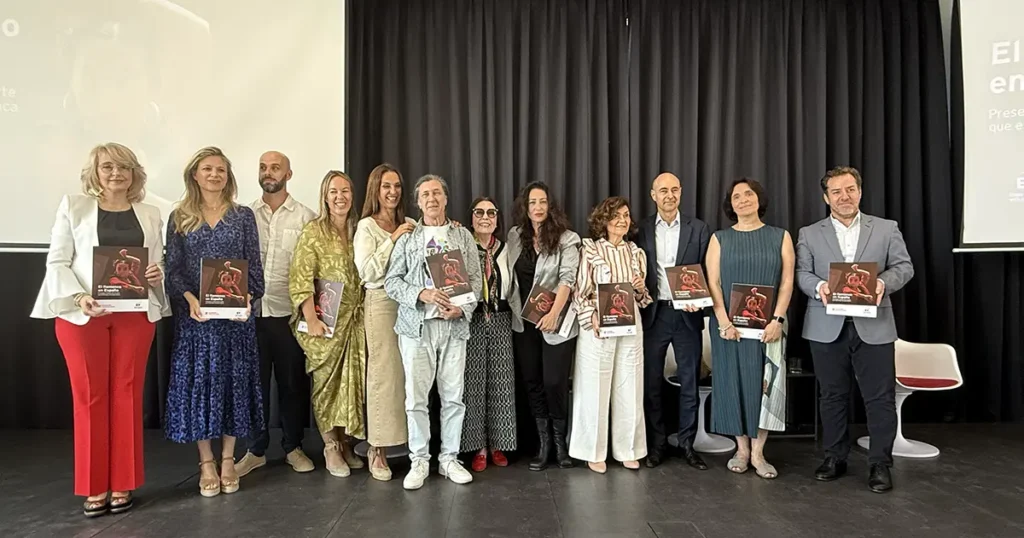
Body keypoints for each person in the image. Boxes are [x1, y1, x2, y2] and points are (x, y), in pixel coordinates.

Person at [31, 142, 169, 517]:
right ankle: (94, 486)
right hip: (83, 315)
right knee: (90, 397)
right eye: (107, 167)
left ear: (134, 174)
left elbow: (156, 263)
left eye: (123, 167)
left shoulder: (151, 213)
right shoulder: (73, 206)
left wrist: (156, 273)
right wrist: (79, 297)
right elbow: (57, 262)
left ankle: (123, 481)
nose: (116, 173)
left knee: (127, 395)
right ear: (95, 172)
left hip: (134, 314)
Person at [796, 166, 914, 493]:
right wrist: (819, 286)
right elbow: (801, 273)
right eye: (836, 191)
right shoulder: (809, 233)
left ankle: (880, 464)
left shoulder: (886, 228)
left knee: (879, 397)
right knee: (831, 395)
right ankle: (835, 457)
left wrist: (882, 283)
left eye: (850, 189)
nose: (844, 197)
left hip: (874, 324)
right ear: (826, 198)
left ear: (860, 192)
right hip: (825, 325)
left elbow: (904, 267)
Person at [164, 146, 265, 497]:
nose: (214, 175)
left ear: (228, 176)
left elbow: (254, 269)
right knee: (200, 387)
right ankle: (206, 461)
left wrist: (248, 297)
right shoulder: (179, 217)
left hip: (234, 323)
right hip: (196, 321)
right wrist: (190, 299)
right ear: (195, 174)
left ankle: (227, 459)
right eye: (207, 169)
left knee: (232, 386)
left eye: (221, 169)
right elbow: (173, 271)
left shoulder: (243, 216)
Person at [384, 174, 482, 490]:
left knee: (453, 397)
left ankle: (449, 459)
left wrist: (463, 309)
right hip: (417, 328)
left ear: (446, 198)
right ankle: (419, 460)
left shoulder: (462, 236)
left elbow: (476, 282)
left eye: (437, 193)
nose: (432, 198)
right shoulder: (408, 239)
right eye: (425, 194)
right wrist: (420, 293)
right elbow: (391, 282)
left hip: (453, 328)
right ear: (418, 201)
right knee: (416, 399)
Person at [234, 151, 318, 478]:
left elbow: (312, 269)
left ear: (289, 174)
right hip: (250, 315)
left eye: (275, 168)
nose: (268, 173)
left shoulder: (306, 217)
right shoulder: (243, 215)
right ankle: (255, 451)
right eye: (263, 167)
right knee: (253, 386)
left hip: (289, 315)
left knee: (292, 385)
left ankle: (293, 447)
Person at [705, 178, 794, 480]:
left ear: (759, 199)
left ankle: (759, 453)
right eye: (736, 197)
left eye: (748, 194)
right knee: (732, 383)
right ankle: (741, 450)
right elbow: (713, 282)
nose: (743, 200)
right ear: (730, 204)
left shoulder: (780, 236)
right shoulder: (719, 238)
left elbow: (787, 281)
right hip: (729, 329)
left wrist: (778, 320)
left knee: (764, 386)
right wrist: (723, 321)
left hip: (769, 327)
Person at [289, 170, 368, 478]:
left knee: (351, 385)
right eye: (333, 191)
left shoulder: (360, 228)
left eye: (345, 191)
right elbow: (301, 277)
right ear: (324, 196)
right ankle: (330, 446)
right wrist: (311, 319)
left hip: (356, 322)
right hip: (324, 322)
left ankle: (346, 442)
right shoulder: (313, 231)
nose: (340, 197)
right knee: (326, 385)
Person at [634, 172, 711, 469]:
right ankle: (657, 445)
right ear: (653, 195)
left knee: (690, 382)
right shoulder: (640, 229)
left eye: (674, 189)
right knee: (651, 383)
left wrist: (700, 300)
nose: (669, 195)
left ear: (681, 192)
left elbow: (707, 271)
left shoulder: (699, 228)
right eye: (663, 190)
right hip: (654, 313)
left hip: (687, 315)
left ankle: (688, 445)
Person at [570, 197, 652, 473]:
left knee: (630, 384)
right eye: (615, 215)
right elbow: (579, 292)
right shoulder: (591, 250)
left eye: (626, 215)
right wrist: (590, 316)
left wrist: (639, 288)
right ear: (603, 220)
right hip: (598, 323)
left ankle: (628, 449)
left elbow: (642, 298)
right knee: (594, 386)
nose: (622, 220)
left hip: (630, 323)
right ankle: (592, 451)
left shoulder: (635, 252)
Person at [506, 181, 581, 471]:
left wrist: (553, 313)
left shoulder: (567, 238)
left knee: (554, 382)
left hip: (556, 323)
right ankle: (543, 444)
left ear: (551, 206)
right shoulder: (515, 236)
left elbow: (567, 279)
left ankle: (561, 445)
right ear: (525, 207)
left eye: (543, 202)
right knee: (533, 382)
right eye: (532, 202)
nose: (538, 208)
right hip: (523, 322)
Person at [354, 163, 416, 482]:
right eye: (386, 186)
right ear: (375, 190)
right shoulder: (367, 226)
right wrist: (393, 239)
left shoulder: (410, 223)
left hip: (411, 302)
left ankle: (413, 444)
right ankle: (376, 449)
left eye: (397, 186)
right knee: (383, 374)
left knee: (409, 374)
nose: (393, 192)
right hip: (381, 302)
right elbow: (367, 271)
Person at [461, 197, 517, 472]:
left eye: (491, 213)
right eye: (479, 212)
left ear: (497, 219)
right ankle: (478, 447)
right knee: (472, 384)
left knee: (501, 383)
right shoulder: (463, 247)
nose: (485, 217)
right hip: (470, 319)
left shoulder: (506, 249)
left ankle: (498, 444)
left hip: (501, 319)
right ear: (472, 218)